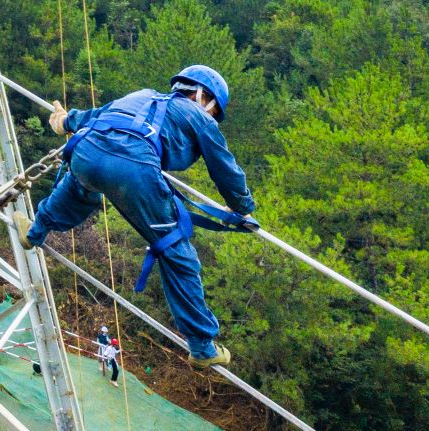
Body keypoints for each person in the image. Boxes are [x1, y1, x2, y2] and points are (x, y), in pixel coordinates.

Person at [22, 65, 258, 370]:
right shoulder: (198, 116)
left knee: (79, 185)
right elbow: (224, 168)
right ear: (204, 97)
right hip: (134, 169)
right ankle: (201, 345)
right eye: (214, 112)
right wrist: (241, 207)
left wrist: (65, 120)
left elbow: (95, 115)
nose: (212, 117)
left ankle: (36, 230)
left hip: (86, 150)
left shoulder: (141, 95)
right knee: (176, 250)